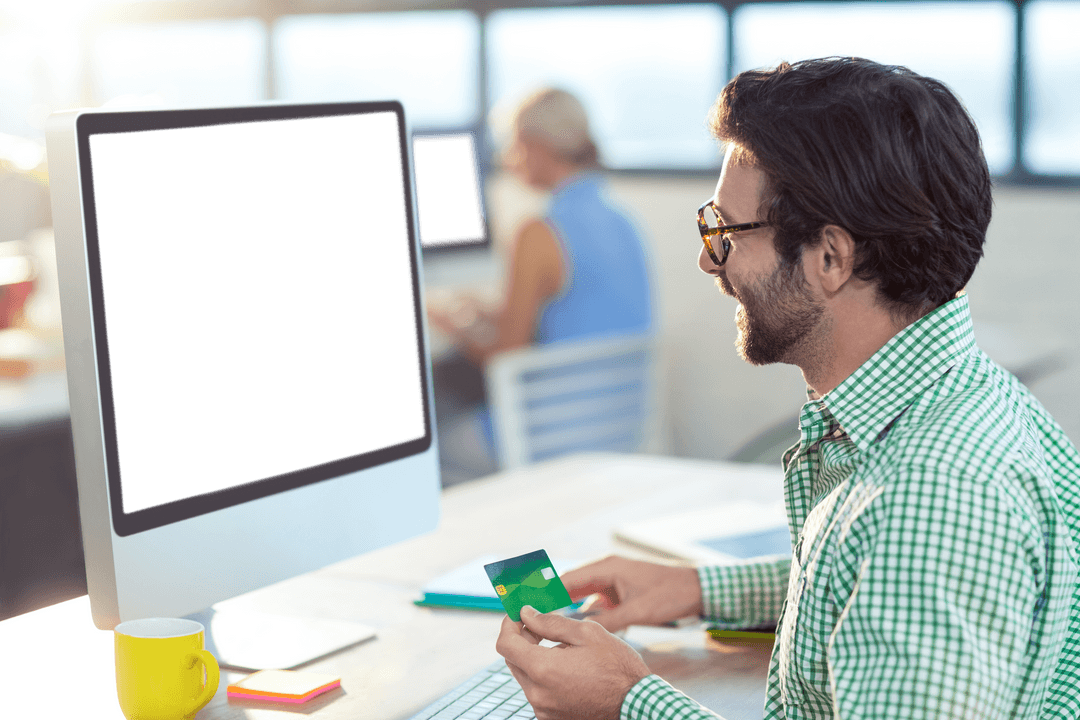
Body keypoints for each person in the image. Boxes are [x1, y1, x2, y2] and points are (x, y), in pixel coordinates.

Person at [495, 57, 1080, 719]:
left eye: (726, 231)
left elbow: (907, 551)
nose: (707, 259)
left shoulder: (928, 493)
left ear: (830, 258)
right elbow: (883, 583)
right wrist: (699, 588)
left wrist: (629, 703)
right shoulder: (975, 400)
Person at [429, 88, 653, 483]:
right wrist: (490, 311)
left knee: (430, 443)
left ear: (533, 145)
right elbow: (580, 309)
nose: (507, 160)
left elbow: (504, 358)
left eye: (510, 146)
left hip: (549, 438)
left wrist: (450, 324)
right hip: (617, 430)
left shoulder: (537, 232)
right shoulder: (623, 222)